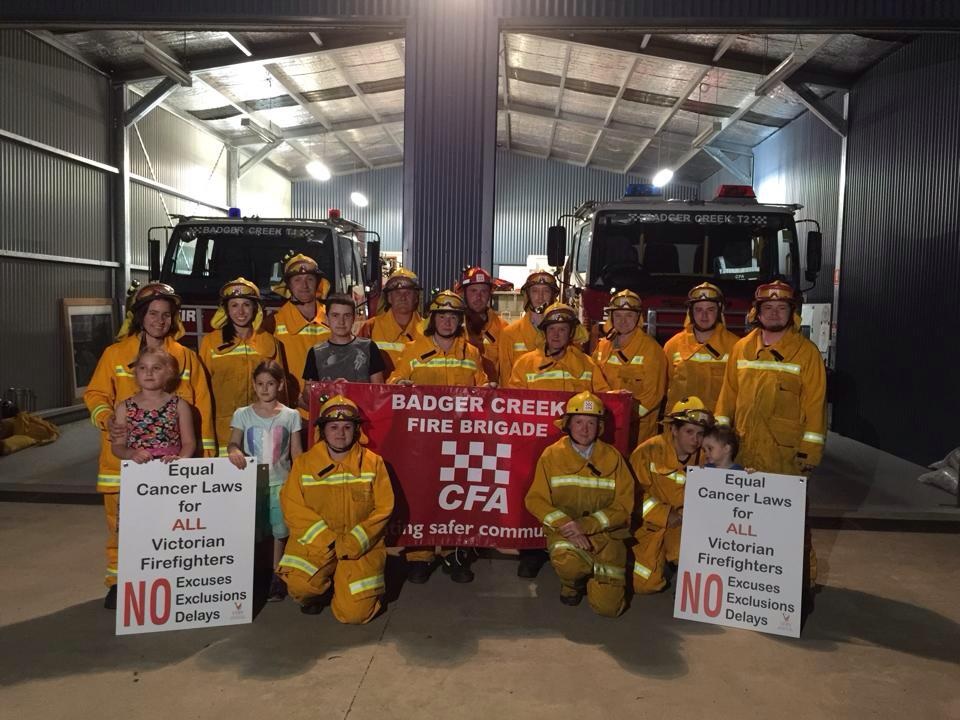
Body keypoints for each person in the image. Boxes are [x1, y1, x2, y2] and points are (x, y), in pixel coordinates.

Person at [84, 281, 214, 610]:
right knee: (121, 526)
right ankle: (119, 582)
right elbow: (96, 394)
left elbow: (203, 408)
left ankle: (165, 581)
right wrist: (106, 419)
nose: (160, 320)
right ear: (140, 316)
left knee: (169, 526)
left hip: (172, 465)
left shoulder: (186, 357)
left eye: (166, 315)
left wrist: (206, 459)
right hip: (123, 462)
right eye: (153, 313)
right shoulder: (115, 354)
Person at [714, 280, 827, 590]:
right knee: (744, 523)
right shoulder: (741, 348)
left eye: (781, 308)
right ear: (757, 312)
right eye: (768, 307)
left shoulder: (806, 353)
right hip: (744, 449)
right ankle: (749, 583)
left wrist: (810, 450)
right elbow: (727, 396)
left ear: (792, 313)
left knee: (789, 525)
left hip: (785, 456)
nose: (774, 313)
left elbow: (815, 405)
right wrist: (719, 442)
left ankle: (799, 585)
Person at [389, 290, 489, 583]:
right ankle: (419, 555)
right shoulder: (412, 350)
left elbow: (481, 387)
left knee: (455, 495)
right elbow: (394, 383)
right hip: (422, 442)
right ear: (432, 319)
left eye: (453, 317)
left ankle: (452, 553)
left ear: (460, 321)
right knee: (420, 493)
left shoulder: (471, 352)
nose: (447, 321)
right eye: (442, 316)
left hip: (460, 440)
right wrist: (400, 385)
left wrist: (488, 391)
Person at [278, 395, 394, 624]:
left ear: (357, 430)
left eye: (347, 427)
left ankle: (342, 585)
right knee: (301, 587)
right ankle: (321, 589)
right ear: (322, 430)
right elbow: (292, 506)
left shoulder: (374, 463)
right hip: (318, 546)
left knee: (355, 615)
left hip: (358, 547)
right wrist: (327, 541)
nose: (340, 433)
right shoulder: (304, 464)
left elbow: (384, 509)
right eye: (333, 427)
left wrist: (353, 542)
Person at [524, 392, 633, 616]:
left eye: (591, 423)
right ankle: (572, 584)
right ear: (568, 424)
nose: (584, 429)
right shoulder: (551, 455)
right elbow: (535, 499)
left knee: (609, 609)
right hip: (567, 533)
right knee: (569, 564)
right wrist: (567, 525)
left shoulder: (613, 457)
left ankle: (593, 576)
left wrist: (585, 525)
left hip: (606, 536)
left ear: (599, 427)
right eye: (579, 422)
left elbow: (624, 506)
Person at [227, 360, 303, 602]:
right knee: (253, 530)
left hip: (281, 483)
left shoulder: (291, 416)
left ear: (279, 385)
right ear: (254, 385)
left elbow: (296, 452)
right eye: (260, 384)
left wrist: (300, 481)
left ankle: (276, 575)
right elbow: (233, 442)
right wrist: (233, 451)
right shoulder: (243, 414)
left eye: (270, 383)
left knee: (279, 531)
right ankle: (251, 575)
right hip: (252, 484)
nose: (264, 388)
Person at [630, 397, 714, 594]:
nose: (695, 439)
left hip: (684, 524)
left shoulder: (705, 456)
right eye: (689, 432)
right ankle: (632, 556)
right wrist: (666, 514)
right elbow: (632, 496)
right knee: (646, 585)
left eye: (700, 434)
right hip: (649, 526)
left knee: (696, 558)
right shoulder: (648, 452)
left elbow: (724, 486)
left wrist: (745, 475)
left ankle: (674, 558)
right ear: (674, 430)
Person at [199, 277, 282, 456]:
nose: (241, 311)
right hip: (224, 434)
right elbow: (202, 392)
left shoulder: (270, 342)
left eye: (246, 305)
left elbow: (281, 392)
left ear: (255, 308)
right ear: (226, 310)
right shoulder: (210, 342)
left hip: (264, 430)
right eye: (234, 305)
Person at [593, 290, 667, 445]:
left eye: (629, 315)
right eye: (618, 315)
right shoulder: (603, 346)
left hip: (638, 432)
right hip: (605, 424)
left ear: (638, 317)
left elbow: (653, 394)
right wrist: (608, 412)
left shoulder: (652, 350)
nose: (623, 321)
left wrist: (624, 415)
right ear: (611, 317)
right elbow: (593, 379)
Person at [664, 282, 740, 412]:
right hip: (679, 420)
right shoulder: (673, 345)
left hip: (716, 421)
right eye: (698, 310)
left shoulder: (735, 346)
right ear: (691, 312)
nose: (704, 316)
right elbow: (666, 384)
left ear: (719, 311)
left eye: (710, 310)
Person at [111, 347, 196, 463]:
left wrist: (180, 460)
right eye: (142, 368)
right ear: (136, 372)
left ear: (168, 373)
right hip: (139, 469)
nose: (149, 373)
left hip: (170, 467)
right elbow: (117, 446)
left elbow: (189, 442)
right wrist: (130, 454)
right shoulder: (124, 407)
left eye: (156, 368)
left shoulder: (179, 405)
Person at [300, 294, 386, 410]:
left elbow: (379, 391)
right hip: (329, 417)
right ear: (327, 319)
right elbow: (308, 396)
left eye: (347, 315)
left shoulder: (369, 347)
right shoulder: (316, 352)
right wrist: (329, 391)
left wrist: (350, 389)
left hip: (363, 416)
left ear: (354, 318)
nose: (341, 322)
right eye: (335, 315)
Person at [270, 253, 331, 412]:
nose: (304, 285)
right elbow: (270, 373)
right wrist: (296, 400)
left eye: (309, 279)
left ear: (318, 283)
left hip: (331, 411)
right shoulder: (273, 323)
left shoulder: (333, 318)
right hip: (291, 413)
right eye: (297, 280)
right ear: (288, 285)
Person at [507, 302, 610, 393]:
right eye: (551, 329)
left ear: (571, 333)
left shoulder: (588, 364)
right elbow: (514, 400)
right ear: (545, 332)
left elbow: (604, 397)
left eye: (562, 329)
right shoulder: (524, 364)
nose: (556, 335)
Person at [358, 267, 423, 375]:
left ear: (416, 297)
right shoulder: (371, 327)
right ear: (389, 298)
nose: (403, 298)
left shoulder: (429, 330)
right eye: (397, 293)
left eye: (408, 293)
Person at [498, 271, 558, 383]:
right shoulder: (509, 334)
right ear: (528, 294)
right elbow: (506, 378)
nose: (540, 297)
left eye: (546, 291)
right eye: (535, 291)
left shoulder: (564, 334)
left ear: (553, 295)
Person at [456, 266, 508, 384]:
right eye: (473, 291)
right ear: (464, 293)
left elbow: (506, 368)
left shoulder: (503, 328)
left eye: (484, 291)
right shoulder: (452, 326)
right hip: (460, 393)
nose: (479, 297)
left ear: (490, 294)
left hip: (492, 392)